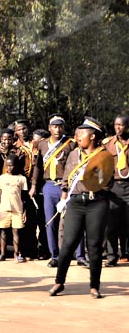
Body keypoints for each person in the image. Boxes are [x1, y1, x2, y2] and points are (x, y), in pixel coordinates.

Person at [51, 117, 114, 299]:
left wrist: (95, 177)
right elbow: (66, 180)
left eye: (82, 133)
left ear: (92, 136)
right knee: (68, 244)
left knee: (94, 246)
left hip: (97, 202)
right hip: (76, 203)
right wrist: (63, 200)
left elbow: (108, 181)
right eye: (77, 133)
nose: (77, 136)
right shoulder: (73, 154)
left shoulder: (104, 156)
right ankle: (59, 282)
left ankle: (94, 286)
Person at [35, 114, 75, 268]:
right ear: (49, 128)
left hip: (66, 185)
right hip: (49, 185)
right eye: (54, 126)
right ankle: (55, 255)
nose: (57, 129)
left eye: (60, 126)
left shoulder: (70, 144)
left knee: (70, 222)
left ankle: (76, 254)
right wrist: (33, 186)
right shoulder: (42, 145)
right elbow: (37, 166)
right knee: (50, 222)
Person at [103, 114, 129, 266]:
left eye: (122, 125)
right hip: (114, 187)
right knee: (111, 224)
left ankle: (126, 253)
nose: (118, 128)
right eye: (116, 125)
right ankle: (112, 256)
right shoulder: (108, 144)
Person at [0, 154, 28, 262]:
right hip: (4, 209)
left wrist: (24, 211)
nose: (9, 168)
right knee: (3, 232)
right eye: (7, 166)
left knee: (16, 232)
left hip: (17, 209)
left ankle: (16, 254)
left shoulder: (21, 179)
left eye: (12, 166)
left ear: (16, 166)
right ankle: (2, 254)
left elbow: (24, 197)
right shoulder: (2, 178)